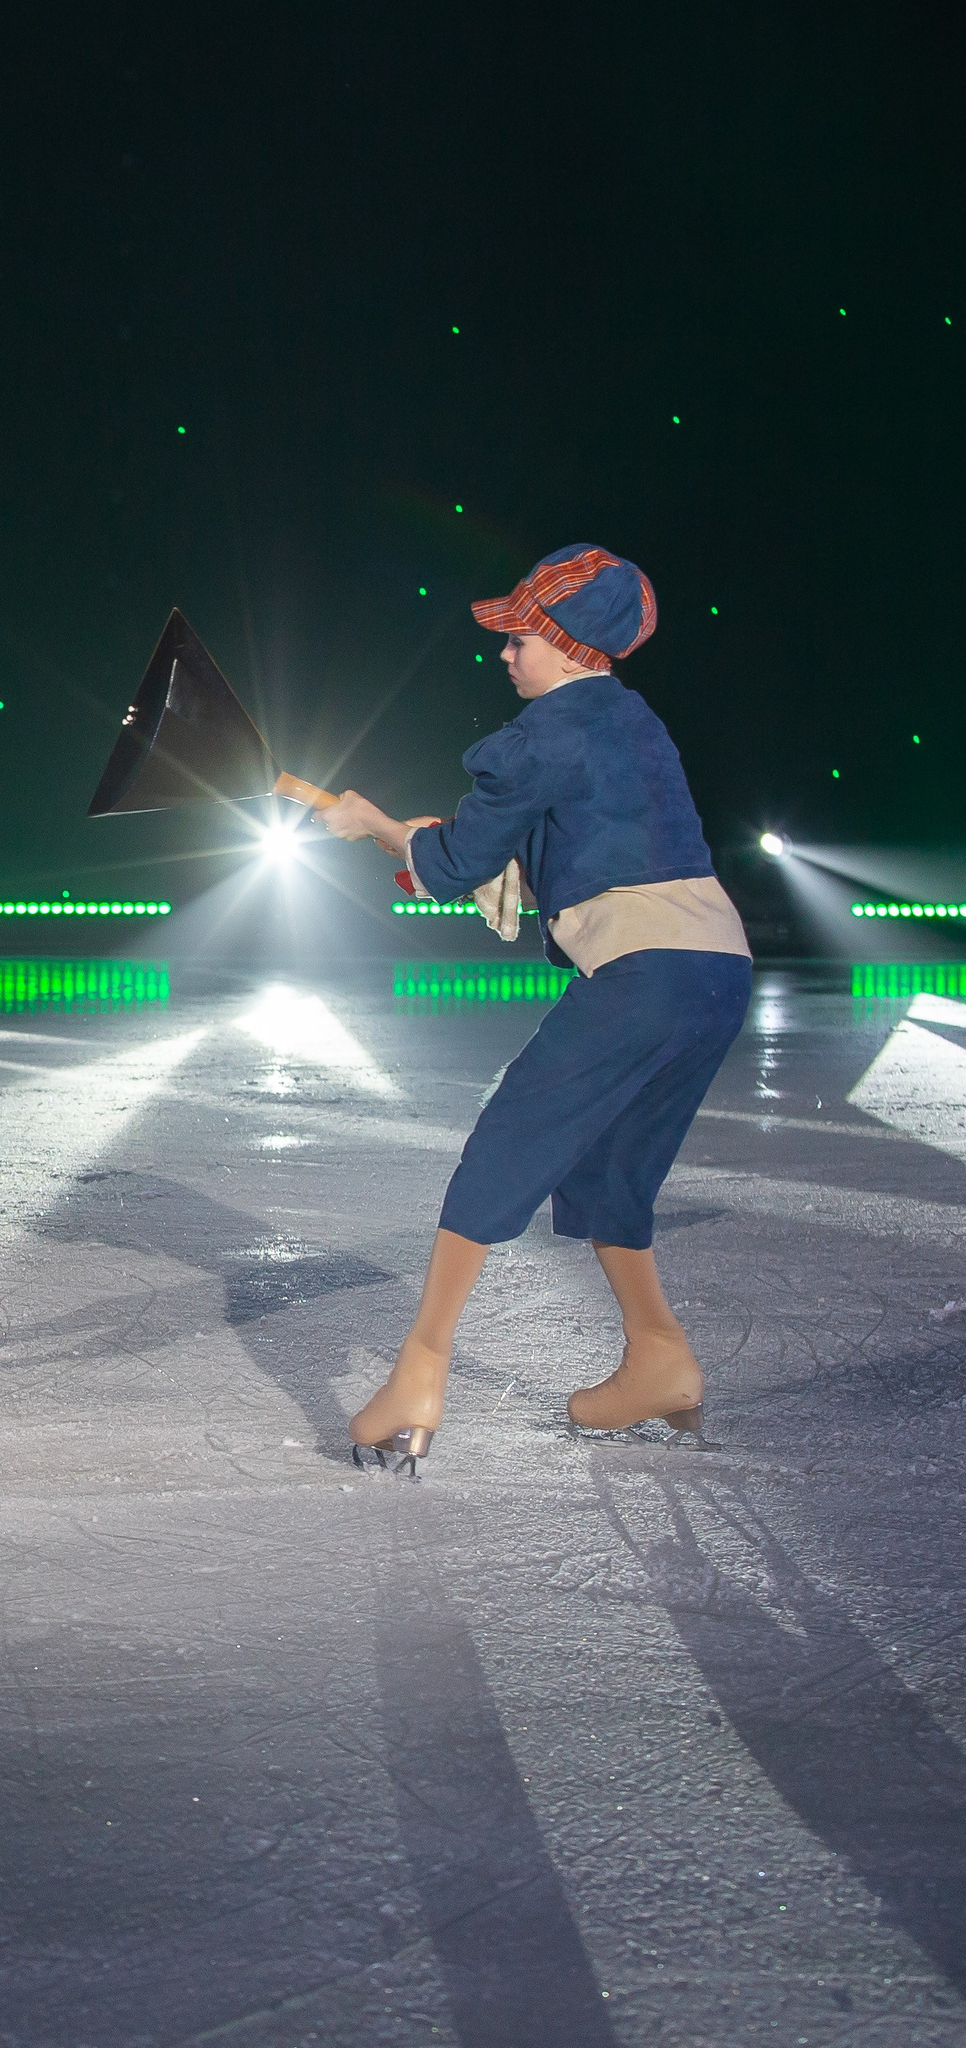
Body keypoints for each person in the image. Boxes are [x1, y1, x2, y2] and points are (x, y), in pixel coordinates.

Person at [316, 544, 749, 1468]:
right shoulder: (633, 722)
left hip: (643, 973)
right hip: (717, 972)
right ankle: (659, 1355)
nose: (505, 651)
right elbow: (586, 838)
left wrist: (370, 824)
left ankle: (420, 1369)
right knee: (607, 1173)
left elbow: (449, 865)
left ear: (566, 646)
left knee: (505, 1145)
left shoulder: (548, 732)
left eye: (520, 634)